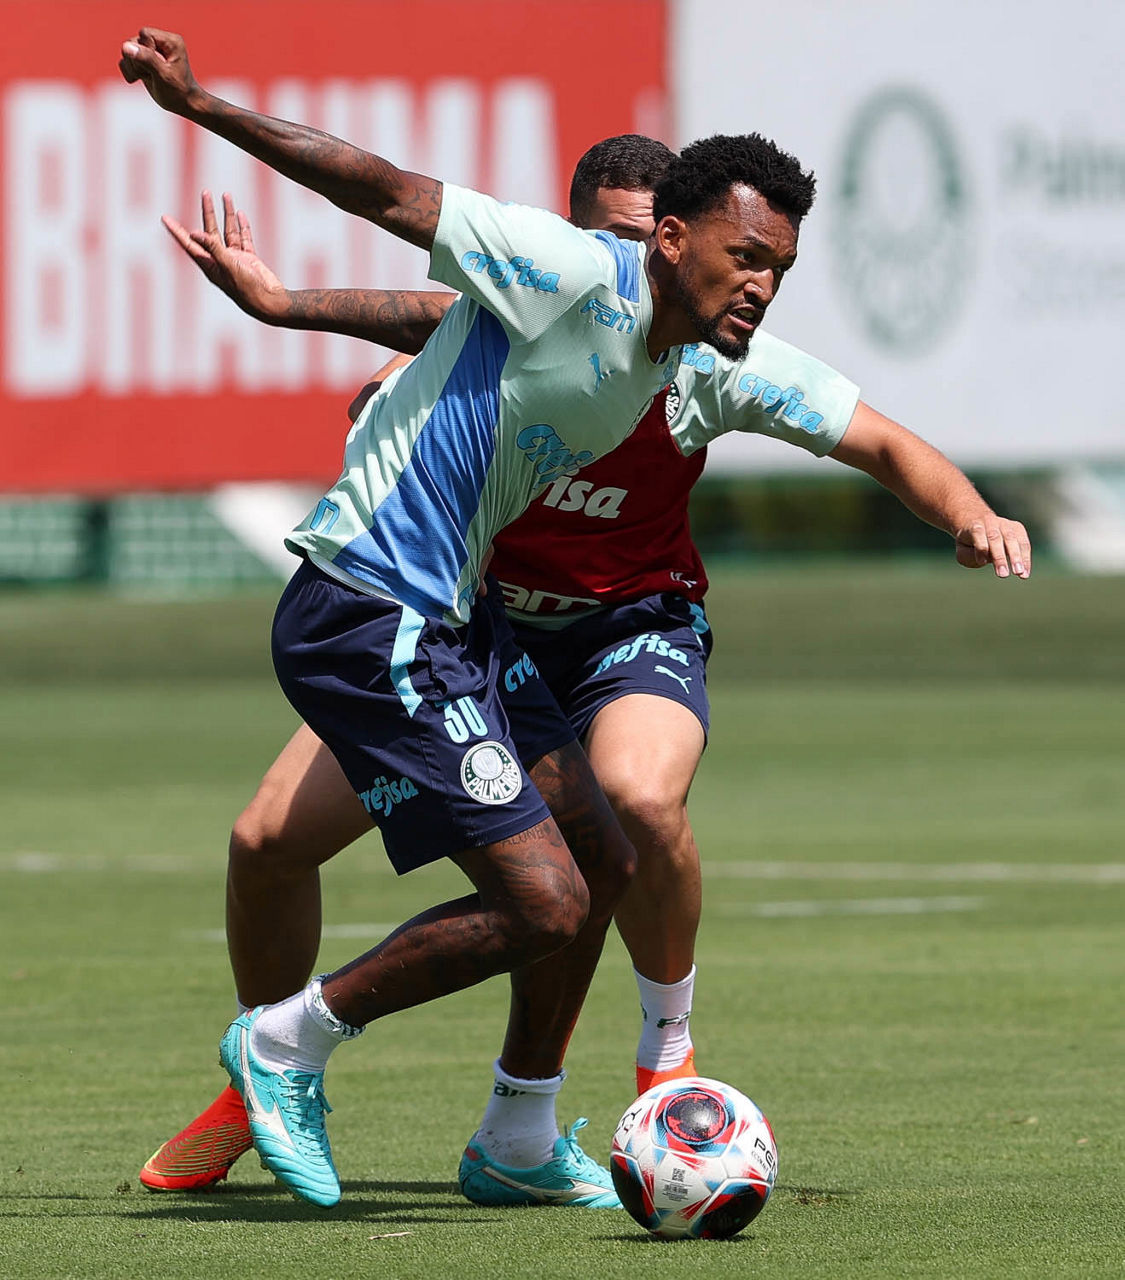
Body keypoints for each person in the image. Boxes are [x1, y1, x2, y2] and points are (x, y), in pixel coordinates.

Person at [120, 28, 1030, 1211]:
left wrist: (968, 511)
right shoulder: (567, 273)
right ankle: (278, 1053)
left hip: (522, 628)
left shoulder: (697, 357)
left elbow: (877, 437)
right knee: (436, 874)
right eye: (745, 257)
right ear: (659, 241)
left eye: (779, 267)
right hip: (394, 611)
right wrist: (203, 110)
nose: (761, 284)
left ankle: (532, 1117)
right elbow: (387, 192)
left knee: (607, 840)